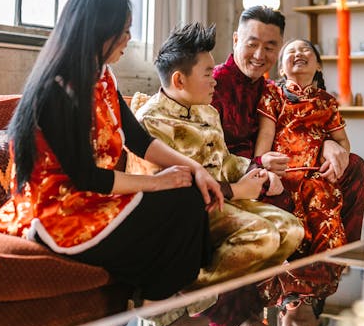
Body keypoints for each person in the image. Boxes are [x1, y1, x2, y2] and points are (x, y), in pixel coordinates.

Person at [0, 0, 223, 303]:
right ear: (99, 31)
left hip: (96, 197)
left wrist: (195, 168)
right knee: (181, 203)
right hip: (61, 209)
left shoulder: (102, 77)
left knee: (189, 196)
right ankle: (158, 301)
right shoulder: (57, 90)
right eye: (124, 30)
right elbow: (86, 177)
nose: (129, 38)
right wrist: (157, 183)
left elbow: (139, 141)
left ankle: (167, 300)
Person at [130, 22, 304, 285]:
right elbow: (169, 192)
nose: (215, 81)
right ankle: (183, 288)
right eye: (208, 74)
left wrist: (255, 172)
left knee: (292, 229)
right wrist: (236, 191)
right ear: (179, 79)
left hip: (223, 201)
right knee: (263, 236)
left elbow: (224, 160)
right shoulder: (151, 122)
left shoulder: (207, 110)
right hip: (187, 214)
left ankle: (244, 293)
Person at [212, 6, 364, 242]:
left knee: (353, 165)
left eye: (270, 47)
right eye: (252, 44)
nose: (259, 55)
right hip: (240, 179)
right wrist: (257, 165)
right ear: (236, 39)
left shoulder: (272, 90)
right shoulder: (213, 85)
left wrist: (326, 142)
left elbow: (297, 122)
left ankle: (336, 260)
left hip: (280, 168)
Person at [255, 38, 347, 256]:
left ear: (318, 66)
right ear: (281, 69)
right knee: (295, 237)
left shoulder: (327, 101)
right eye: (291, 51)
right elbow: (266, 134)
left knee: (328, 230)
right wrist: (259, 167)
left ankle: (319, 278)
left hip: (316, 179)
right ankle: (292, 282)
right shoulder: (273, 96)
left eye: (306, 49)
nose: (299, 53)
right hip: (283, 176)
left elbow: (342, 141)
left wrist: (338, 161)